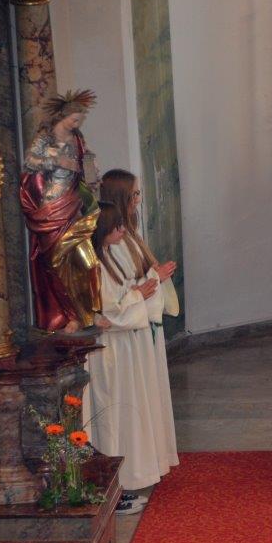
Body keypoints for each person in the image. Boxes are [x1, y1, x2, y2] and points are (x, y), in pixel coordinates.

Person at [84, 201, 167, 512]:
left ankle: (121, 481)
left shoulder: (108, 257)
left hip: (121, 348)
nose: (122, 231)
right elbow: (106, 314)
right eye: (117, 226)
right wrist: (139, 294)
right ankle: (111, 488)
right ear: (102, 229)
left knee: (124, 414)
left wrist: (140, 291)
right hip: (108, 352)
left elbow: (118, 302)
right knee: (112, 418)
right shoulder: (95, 264)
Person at [100, 170, 179, 488]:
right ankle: (133, 472)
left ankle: (148, 463)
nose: (138, 200)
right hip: (125, 338)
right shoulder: (112, 246)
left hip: (138, 330)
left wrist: (155, 277)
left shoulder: (127, 236)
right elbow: (118, 297)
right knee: (130, 407)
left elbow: (135, 282)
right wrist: (152, 280)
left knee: (145, 401)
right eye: (134, 194)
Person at [19, 90, 102, 332]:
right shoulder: (45, 138)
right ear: (63, 116)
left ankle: (93, 311)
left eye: (79, 120)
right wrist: (56, 161)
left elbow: (86, 160)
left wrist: (91, 172)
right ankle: (71, 316)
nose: (77, 124)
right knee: (57, 265)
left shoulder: (77, 138)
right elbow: (30, 162)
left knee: (90, 264)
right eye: (74, 120)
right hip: (51, 208)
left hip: (75, 206)